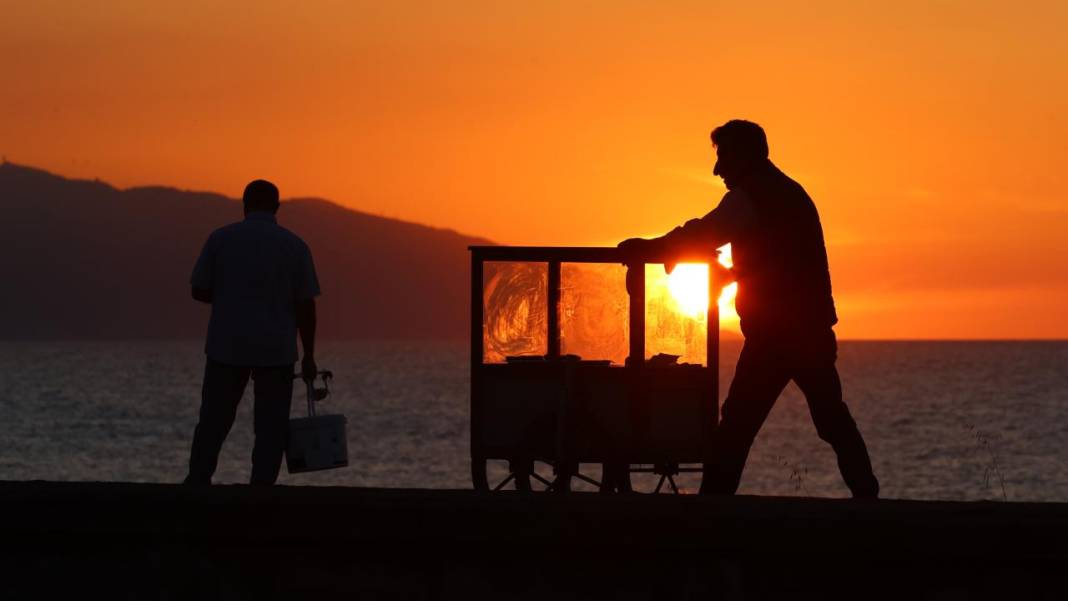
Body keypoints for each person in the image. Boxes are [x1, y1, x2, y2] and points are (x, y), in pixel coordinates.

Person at [619, 120, 879, 498]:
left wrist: (652, 246)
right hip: (810, 329)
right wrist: (736, 274)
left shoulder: (749, 196)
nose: (717, 169)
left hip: (775, 336)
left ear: (744, 156)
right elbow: (778, 257)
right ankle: (867, 495)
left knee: (738, 424)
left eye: (723, 157)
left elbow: (706, 232)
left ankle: (712, 508)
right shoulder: (790, 193)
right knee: (831, 419)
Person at [184, 179, 320, 485]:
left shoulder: (220, 239)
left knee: (214, 421)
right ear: (277, 207)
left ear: (244, 204)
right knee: (271, 427)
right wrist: (309, 355)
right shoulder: (294, 246)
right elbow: (305, 306)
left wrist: (230, 296)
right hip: (276, 349)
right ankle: (260, 489)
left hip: (226, 346)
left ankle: (198, 481)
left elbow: (199, 290)